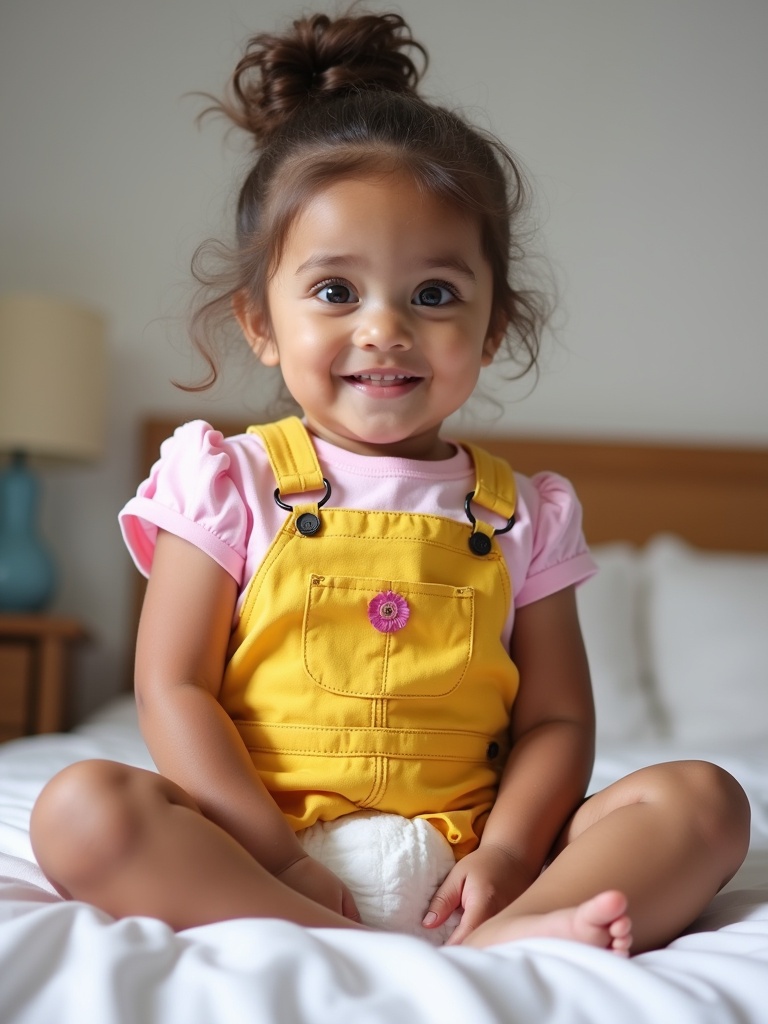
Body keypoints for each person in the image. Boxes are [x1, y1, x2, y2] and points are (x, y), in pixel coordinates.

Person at [30, 10, 749, 955]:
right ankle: (312, 932)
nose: (385, 328)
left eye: (435, 294)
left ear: (492, 328)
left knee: (707, 800)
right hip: (264, 853)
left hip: (467, 865)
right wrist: (276, 857)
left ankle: (515, 927)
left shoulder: (525, 513)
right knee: (79, 808)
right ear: (259, 320)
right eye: (335, 291)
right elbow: (172, 689)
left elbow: (559, 718)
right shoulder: (228, 480)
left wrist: (508, 851)